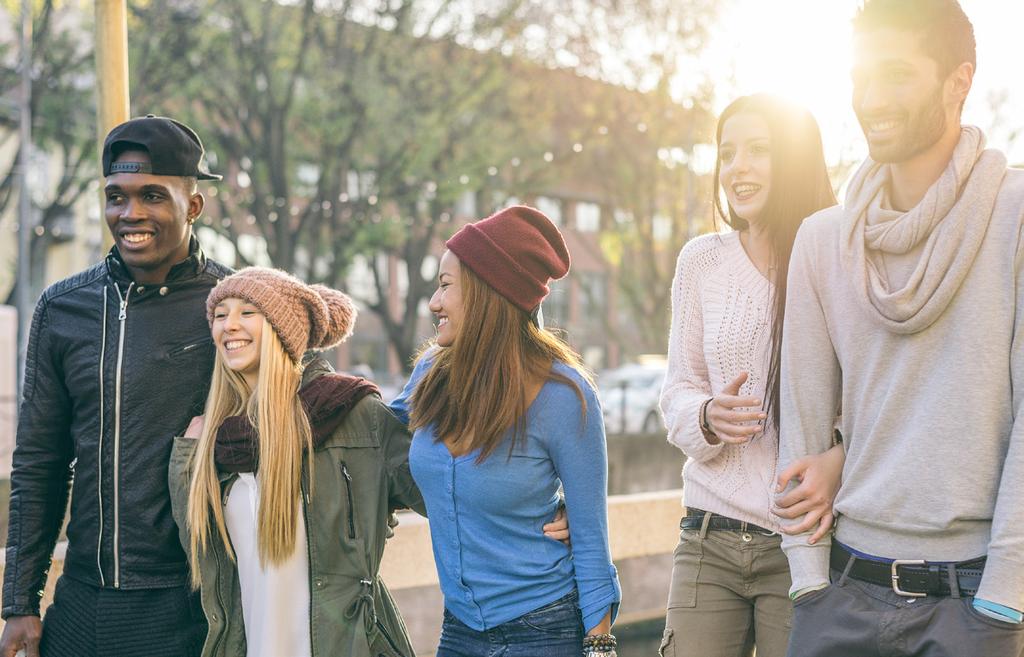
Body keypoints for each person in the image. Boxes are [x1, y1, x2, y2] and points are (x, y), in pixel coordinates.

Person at [777, 1, 1024, 655]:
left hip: (972, 604)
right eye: (860, 77)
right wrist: (807, 583)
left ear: (958, 81)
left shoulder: (1015, 217)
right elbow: (801, 424)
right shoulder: (821, 239)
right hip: (841, 595)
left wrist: (1003, 596)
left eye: (895, 75)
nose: (870, 99)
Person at [1, 116, 230, 657]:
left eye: (152, 195)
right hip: (82, 605)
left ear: (193, 206)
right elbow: (39, 462)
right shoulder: (63, 309)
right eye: (116, 197)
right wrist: (19, 603)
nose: (131, 214)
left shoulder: (233, 306)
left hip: (195, 606)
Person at [657, 94, 843, 657]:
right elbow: (676, 392)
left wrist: (837, 458)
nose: (737, 167)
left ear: (795, 159)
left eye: (758, 150)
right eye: (727, 152)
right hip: (708, 536)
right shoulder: (701, 260)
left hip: (804, 542)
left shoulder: (837, 258)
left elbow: (873, 398)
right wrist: (708, 416)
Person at [390, 205, 621, 657]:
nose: (434, 302)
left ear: (486, 291)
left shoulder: (565, 395)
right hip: (459, 628)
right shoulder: (430, 374)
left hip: (544, 629)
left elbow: (592, 541)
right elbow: (373, 432)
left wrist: (600, 648)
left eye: (445, 286)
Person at [168, 267, 424, 657]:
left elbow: (442, 492)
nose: (229, 326)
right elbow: (200, 555)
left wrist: (549, 506)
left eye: (247, 312)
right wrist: (188, 456)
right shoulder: (212, 438)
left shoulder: (352, 414)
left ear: (281, 329)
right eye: (220, 315)